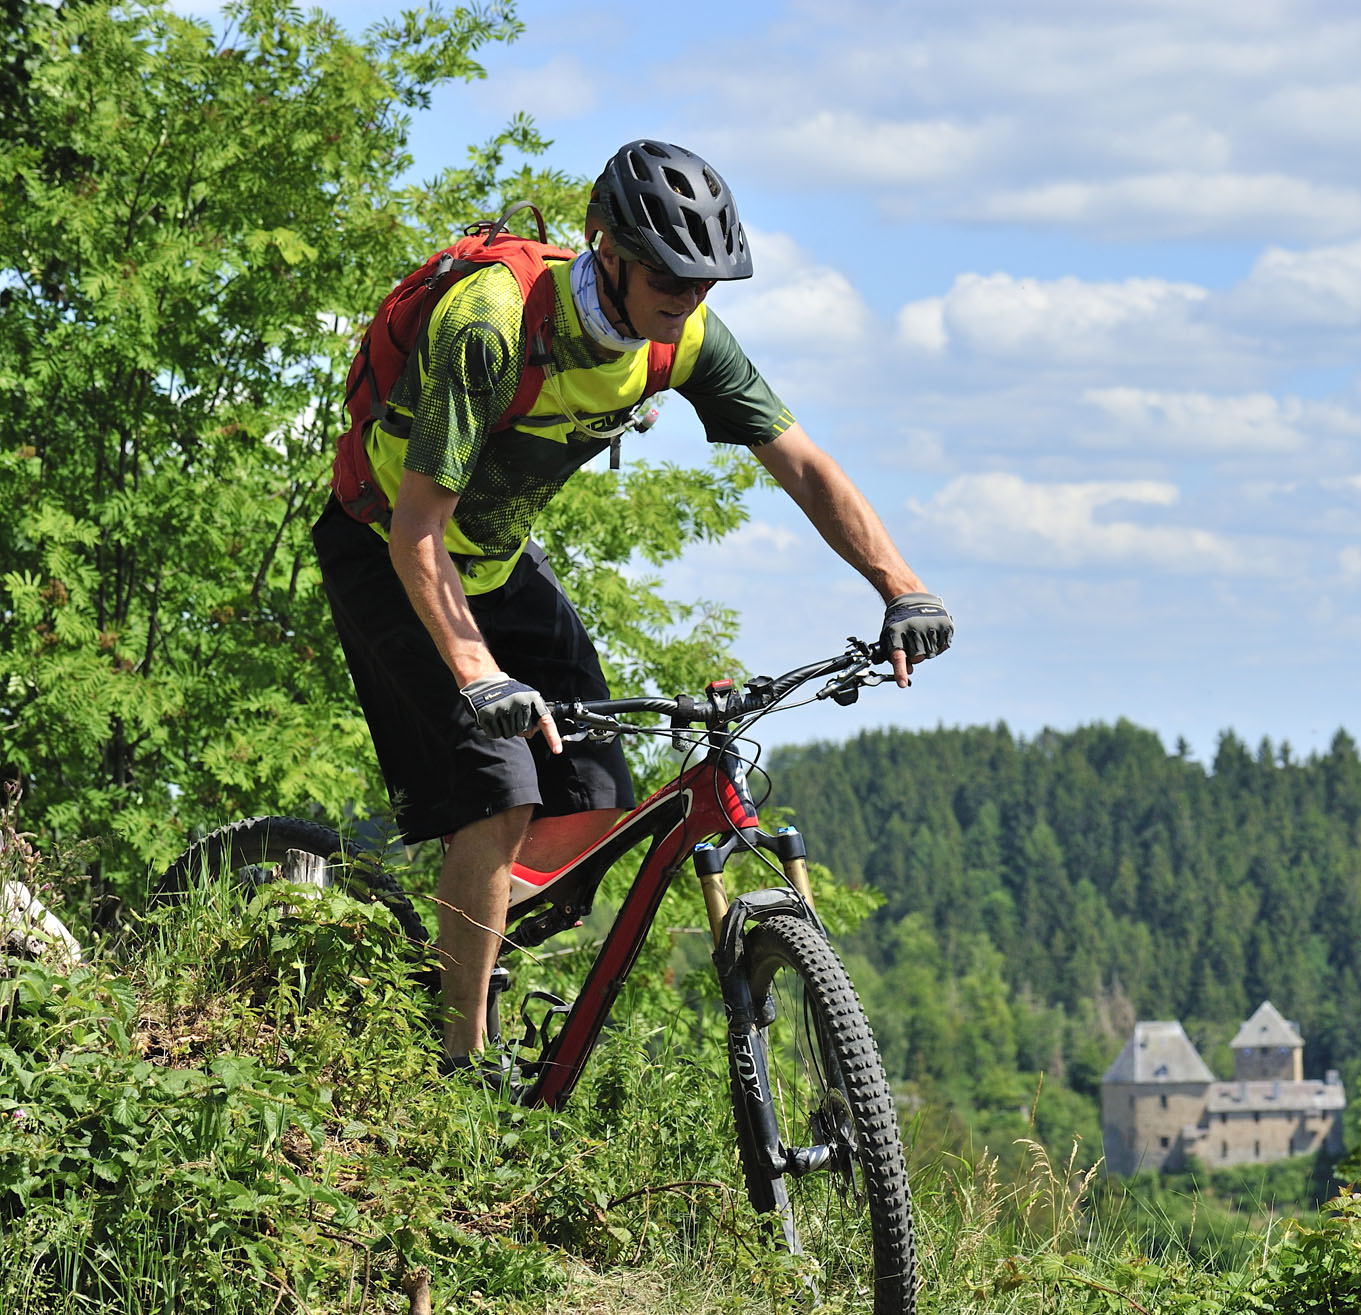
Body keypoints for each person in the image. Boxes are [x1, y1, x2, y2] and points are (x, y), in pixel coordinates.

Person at [313, 139, 953, 1072]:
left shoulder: (681, 337)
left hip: (491, 563)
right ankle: (458, 1069)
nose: (688, 296)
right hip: (386, 550)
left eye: (705, 281)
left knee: (597, 797)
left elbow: (803, 462)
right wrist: (479, 672)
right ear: (602, 246)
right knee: (501, 786)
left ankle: (459, 951)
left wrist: (900, 585)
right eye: (667, 273)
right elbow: (416, 528)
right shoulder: (493, 323)